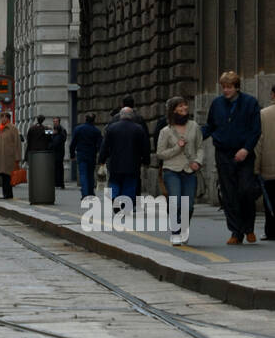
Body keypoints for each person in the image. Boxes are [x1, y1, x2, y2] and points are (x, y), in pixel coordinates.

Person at [202, 70, 262, 246]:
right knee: (229, 194)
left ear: (237, 87)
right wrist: (195, 137)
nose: (225, 91)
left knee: (246, 190)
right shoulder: (217, 104)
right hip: (223, 153)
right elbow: (210, 126)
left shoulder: (250, 103)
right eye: (223, 87)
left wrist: (246, 148)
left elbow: (255, 129)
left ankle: (248, 227)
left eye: (229, 87)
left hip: (244, 153)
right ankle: (236, 232)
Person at [156, 96, 203, 245]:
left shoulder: (194, 126)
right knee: (175, 202)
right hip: (171, 170)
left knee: (188, 205)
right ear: (173, 109)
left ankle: (184, 228)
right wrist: (178, 147)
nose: (184, 108)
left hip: (190, 170)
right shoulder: (166, 131)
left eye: (185, 105)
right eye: (180, 106)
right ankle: (175, 232)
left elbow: (200, 147)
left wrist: (198, 161)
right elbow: (160, 153)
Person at [98, 106, 150, 205]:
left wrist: (102, 159)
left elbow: (105, 146)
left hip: (115, 163)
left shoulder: (112, 128)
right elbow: (145, 146)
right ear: (132, 116)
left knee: (114, 182)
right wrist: (146, 161)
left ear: (120, 115)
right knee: (129, 185)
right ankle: (125, 204)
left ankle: (114, 198)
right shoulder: (138, 129)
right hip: (133, 163)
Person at [257, 84, 275, 242]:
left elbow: (259, 142)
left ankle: (270, 231)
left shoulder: (263, 114)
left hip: (269, 165)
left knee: (270, 199)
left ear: (272, 95)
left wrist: (256, 167)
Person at [69, 112, 102, 199]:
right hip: (92, 154)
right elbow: (100, 145)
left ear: (85, 119)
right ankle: (91, 193)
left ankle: (85, 194)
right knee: (90, 174)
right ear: (94, 120)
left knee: (83, 174)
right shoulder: (97, 131)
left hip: (81, 154)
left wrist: (72, 154)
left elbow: (73, 143)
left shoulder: (78, 129)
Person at [0, 115, 22, 199]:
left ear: (8, 119)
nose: (2, 119)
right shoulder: (0, 129)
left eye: (4, 117)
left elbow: (17, 143)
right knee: (3, 176)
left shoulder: (13, 128)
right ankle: (5, 194)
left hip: (9, 157)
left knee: (8, 176)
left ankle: (8, 194)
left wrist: (17, 157)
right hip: (1, 157)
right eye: (1, 117)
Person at [50, 118, 68, 189]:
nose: (55, 122)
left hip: (59, 152)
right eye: (54, 121)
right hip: (54, 152)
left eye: (56, 121)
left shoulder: (62, 130)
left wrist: (55, 134)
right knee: (55, 167)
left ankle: (60, 183)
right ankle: (56, 183)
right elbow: (47, 134)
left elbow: (61, 139)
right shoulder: (54, 130)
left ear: (59, 122)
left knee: (59, 167)